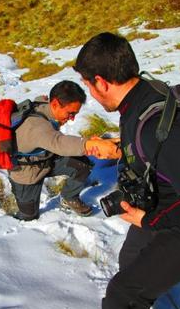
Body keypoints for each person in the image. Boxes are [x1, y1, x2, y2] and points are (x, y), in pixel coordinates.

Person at [74, 32, 180, 309]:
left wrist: (149, 220)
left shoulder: (156, 126)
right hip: (164, 205)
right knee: (130, 263)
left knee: (121, 299)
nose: (90, 94)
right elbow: (154, 152)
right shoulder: (141, 97)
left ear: (101, 82)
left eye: (88, 86)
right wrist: (119, 149)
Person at [7, 80, 120, 221]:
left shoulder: (45, 106)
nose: (72, 119)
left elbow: (56, 142)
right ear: (54, 104)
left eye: (75, 114)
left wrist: (91, 142)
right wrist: (89, 145)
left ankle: (69, 197)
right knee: (29, 216)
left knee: (82, 164)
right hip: (26, 174)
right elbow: (58, 143)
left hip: (46, 159)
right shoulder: (35, 127)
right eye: (70, 113)